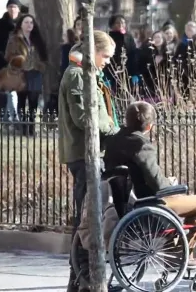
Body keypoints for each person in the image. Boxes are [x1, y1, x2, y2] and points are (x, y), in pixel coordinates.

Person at [103, 101, 196, 267]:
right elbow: (158, 184)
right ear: (150, 126)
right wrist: (172, 184)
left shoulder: (113, 142)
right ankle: (180, 253)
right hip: (148, 203)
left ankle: (173, 248)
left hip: (124, 203)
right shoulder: (141, 145)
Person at [58, 31, 119, 292]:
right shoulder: (76, 74)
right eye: (105, 56)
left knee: (90, 216)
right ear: (93, 50)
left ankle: (82, 277)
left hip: (92, 152)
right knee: (86, 219)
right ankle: (80, 277)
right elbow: (85, 117)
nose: (107, 62)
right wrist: (115, 131)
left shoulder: (89, 73)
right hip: (83, 155)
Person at [5, 14, 48, 135]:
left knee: (33, 102)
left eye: (31, 23)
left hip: (35, 73)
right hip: (21, 74)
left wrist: (39, 66)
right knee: (21, 102)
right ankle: (23, 128)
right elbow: (8, 56)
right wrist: (19, 63)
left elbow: (44, 57)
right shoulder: (14, 39)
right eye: (26, 22)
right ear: (21, 24)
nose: (29, 25)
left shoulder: (37, 38)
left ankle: (31, 128)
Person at [0, 0, 22, 121]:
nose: (12, 9)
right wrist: (1, 58)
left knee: (18, 92)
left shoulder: (23, 24)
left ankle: (17, 119)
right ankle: (1, 117)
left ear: (19, 9)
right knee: (2, 92)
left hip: (19, 64)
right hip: (2, 63)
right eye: (10, 7)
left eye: (15, 7)